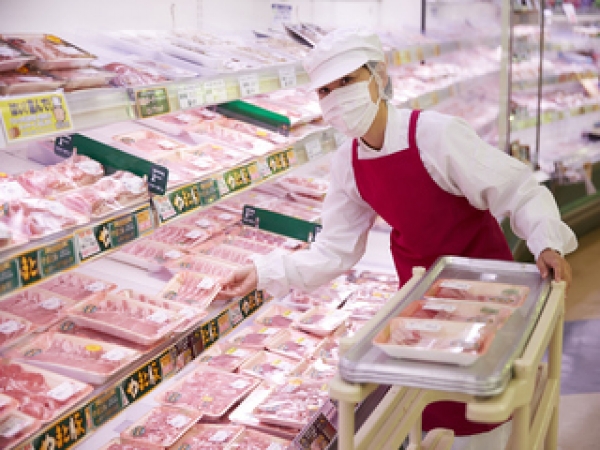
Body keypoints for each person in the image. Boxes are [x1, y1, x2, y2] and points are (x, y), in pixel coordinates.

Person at [218, 28, 577, 446]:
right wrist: (263, 271)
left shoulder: (436, 135)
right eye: (326, 90)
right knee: (431, 408)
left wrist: (546, 241)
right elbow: (335, 249)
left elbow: (517, 189)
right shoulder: (348, 162)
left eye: (347, 80)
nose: (337, 97)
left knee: (484, 413)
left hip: (486, 293)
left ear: (379, 76)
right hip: (421, 305)